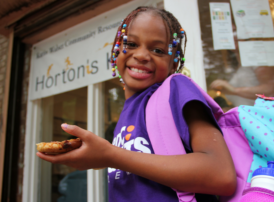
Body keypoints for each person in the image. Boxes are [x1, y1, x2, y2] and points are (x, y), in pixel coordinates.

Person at [37, 6, 236, 202]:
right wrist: (102, 157)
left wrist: (111, 156)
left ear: (173, 63)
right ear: (116, 51)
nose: (141, 55)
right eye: (131, 44)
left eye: (157, 50)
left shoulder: (176, 89)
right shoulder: (127, 113)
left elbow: (221, 175)